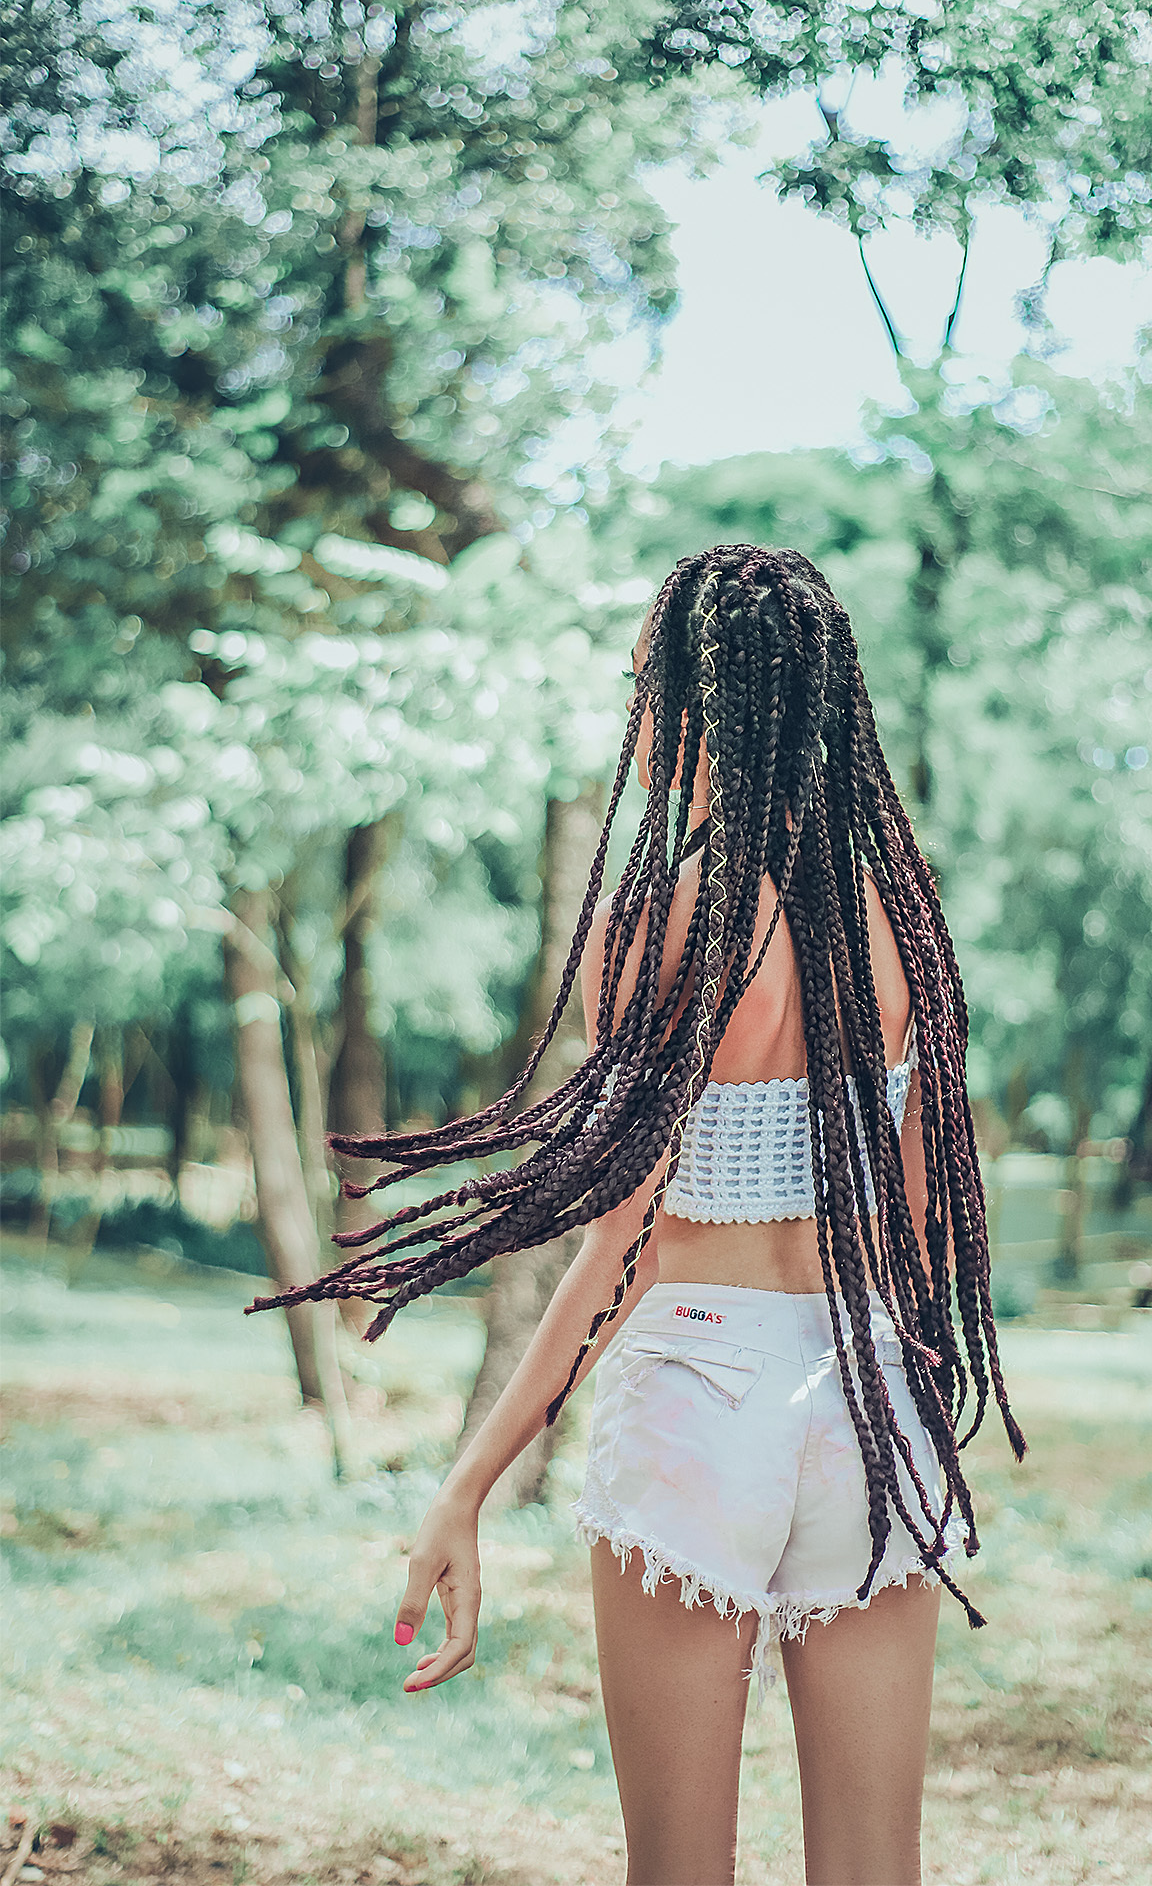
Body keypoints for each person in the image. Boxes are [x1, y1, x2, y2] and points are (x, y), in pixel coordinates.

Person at [253, 545, 1025, 1886]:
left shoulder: (665, 922)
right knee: (874, 1866)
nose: (632, 708)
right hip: (865, 1404)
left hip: (700, 1396)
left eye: (642, 683)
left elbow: (625, 1239)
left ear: (697, 707)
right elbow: (918, 1229)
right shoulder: (898, 929)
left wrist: (465, 1486)